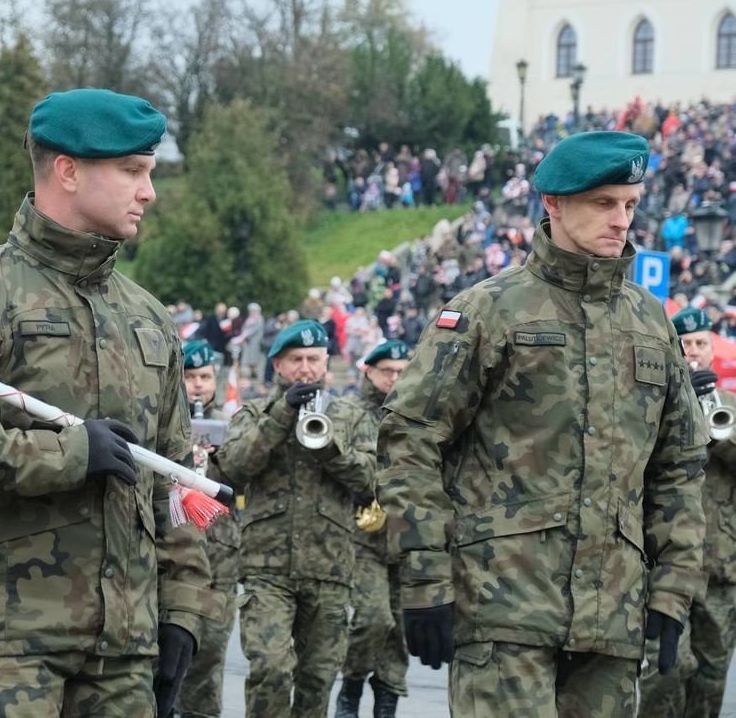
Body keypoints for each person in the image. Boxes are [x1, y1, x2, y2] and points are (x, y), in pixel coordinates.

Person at [0, 88, 214, 717]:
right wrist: (62, 455)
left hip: (125, 652)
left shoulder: (148, 317)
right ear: (69, 171)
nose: (149, 192)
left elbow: (176, 477)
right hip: (8, 645)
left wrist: (183, 612)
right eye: (134, 172)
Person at [378, 131, 707, 717]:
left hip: (612, 616)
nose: (621, 221)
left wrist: (673, 590)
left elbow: (679, 465)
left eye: (629, 205)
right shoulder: (488, 310)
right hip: (502, 607)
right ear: (553, 204)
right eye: (603, 203)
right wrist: (425, 576)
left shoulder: (651, 323)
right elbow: (410, 440)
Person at [216, 320, 376, 717]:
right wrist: (280, 417)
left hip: (331, 567)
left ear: (326, 364)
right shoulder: (254, 413)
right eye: (296, 360)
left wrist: (329, 450)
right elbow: (231, 470)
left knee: (317, 679)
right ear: (278, 366)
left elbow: (372, 481)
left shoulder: (352, 416)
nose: (305, 369)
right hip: (266, 568)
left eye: (313, 360)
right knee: (270, 668)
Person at [638, 307, 736, 717]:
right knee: (667, 669)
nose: (693, 352)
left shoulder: (730, 405)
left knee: (711, 675)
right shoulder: (653, 399)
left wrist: (721, 437)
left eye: (700, 344)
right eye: (686, 344)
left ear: (711, 349)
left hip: (720, 564)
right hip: (666, 563)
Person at [335, 340, 411, 718]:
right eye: (387, 371)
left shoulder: (418, 412)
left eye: (401, 371)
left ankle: (387, 702)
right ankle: (350, 686)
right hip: (361, 534)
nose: (394, 378)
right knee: (373, 616)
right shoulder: (350, 413)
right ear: (369, 371)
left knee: (398, 629)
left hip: (406, 534)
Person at [176, 339, 239, 718]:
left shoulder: (234, 427)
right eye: (189, 377)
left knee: (211, 653)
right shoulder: (161, 421)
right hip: (172, 554)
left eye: (204, 377)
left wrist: (222, 457)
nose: (197, 385)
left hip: (220, 559)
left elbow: (247, 478)